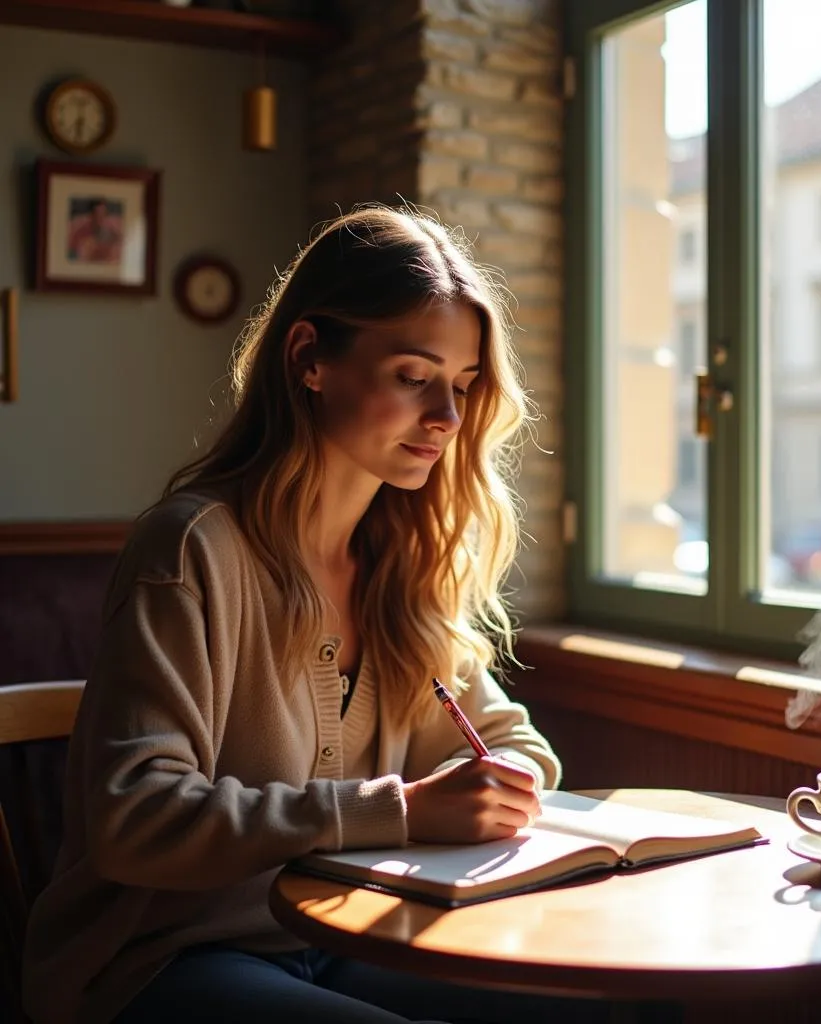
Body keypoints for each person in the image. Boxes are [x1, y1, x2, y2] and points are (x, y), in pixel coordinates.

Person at [21, 207, 599, 1024]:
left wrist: (502, 786)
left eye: (464, 387)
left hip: (346, 936)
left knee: (586, 1005)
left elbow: (513, 744)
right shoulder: (191, 549)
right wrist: (398, 811)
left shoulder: (406, 564)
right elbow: (133, 815)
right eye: (412, 375)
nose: (448, 418)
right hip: (162, 960)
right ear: (310, 359)